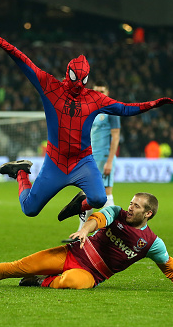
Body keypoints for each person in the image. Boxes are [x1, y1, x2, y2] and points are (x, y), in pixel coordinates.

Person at [0, 24, 173, 220]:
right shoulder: (50, 87)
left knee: (99, 198)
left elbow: (124, 108)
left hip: (82, 161)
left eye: (83, 79)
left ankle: (78, 204)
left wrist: (152, 104)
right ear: (68, 72)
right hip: (56, 161)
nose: (79, 84)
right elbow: (25, 63)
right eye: (75, 78)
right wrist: (3, 43)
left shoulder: (95, 98)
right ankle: (20, 172)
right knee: (30, 209)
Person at [0, 192, 173, 291]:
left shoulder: (152, 243)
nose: (130, 207)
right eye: (131, 203)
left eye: (137, 206)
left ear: (149, 214)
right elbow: (98, 218)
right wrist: (85, 230)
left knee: (77, 284)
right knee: (18, 266)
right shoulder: (116, 213)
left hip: (91, 273)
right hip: (73, 252)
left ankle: (41, 281)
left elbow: (170, 268)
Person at [63, 81, 120, 242]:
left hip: (104, 159)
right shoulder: (90, 110)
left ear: (107, 92)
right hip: (90, 158)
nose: (100, 92)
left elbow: (116, 137)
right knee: (87, 195)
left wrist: (110, 161)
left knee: (107, 194)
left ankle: (114, 231)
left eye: (103, 90)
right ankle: (81, 232)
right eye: (97, 90)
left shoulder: (112, 110)